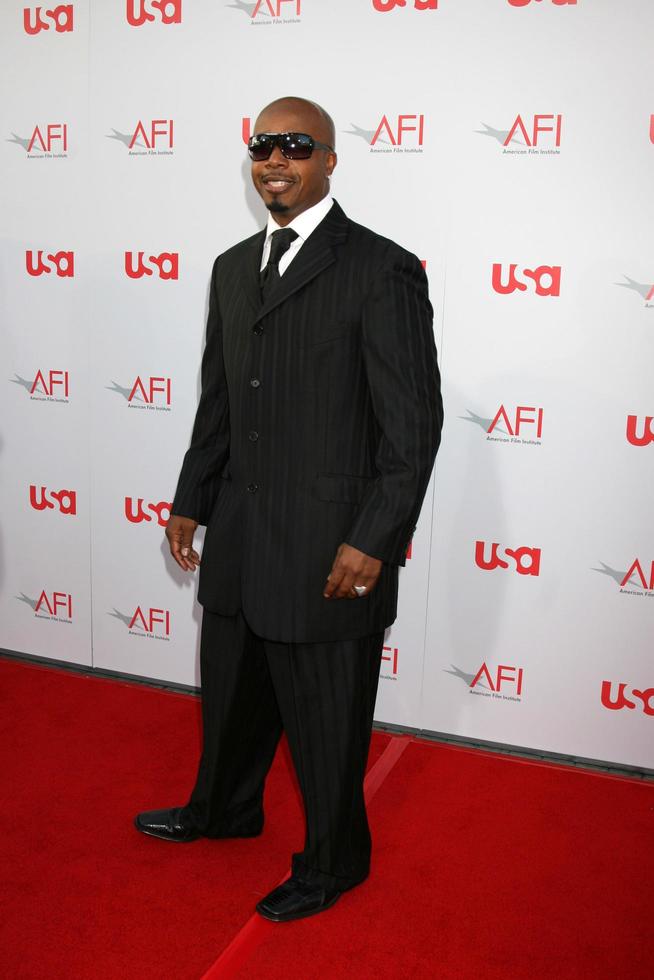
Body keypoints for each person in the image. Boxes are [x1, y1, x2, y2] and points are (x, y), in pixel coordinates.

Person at [135, 96, 443, 922]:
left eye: (296, 146)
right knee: (231, 697)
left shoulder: (381, 268)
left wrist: (375, 539)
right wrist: (191, 500)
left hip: (329, 548)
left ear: (330, 160)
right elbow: (219, 401)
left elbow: (413, 427)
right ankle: (224, 811)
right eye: (262, 145)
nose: (275, 159)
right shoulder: (233, 268)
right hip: (240, 533)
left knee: (327, 726)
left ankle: (337, 861)